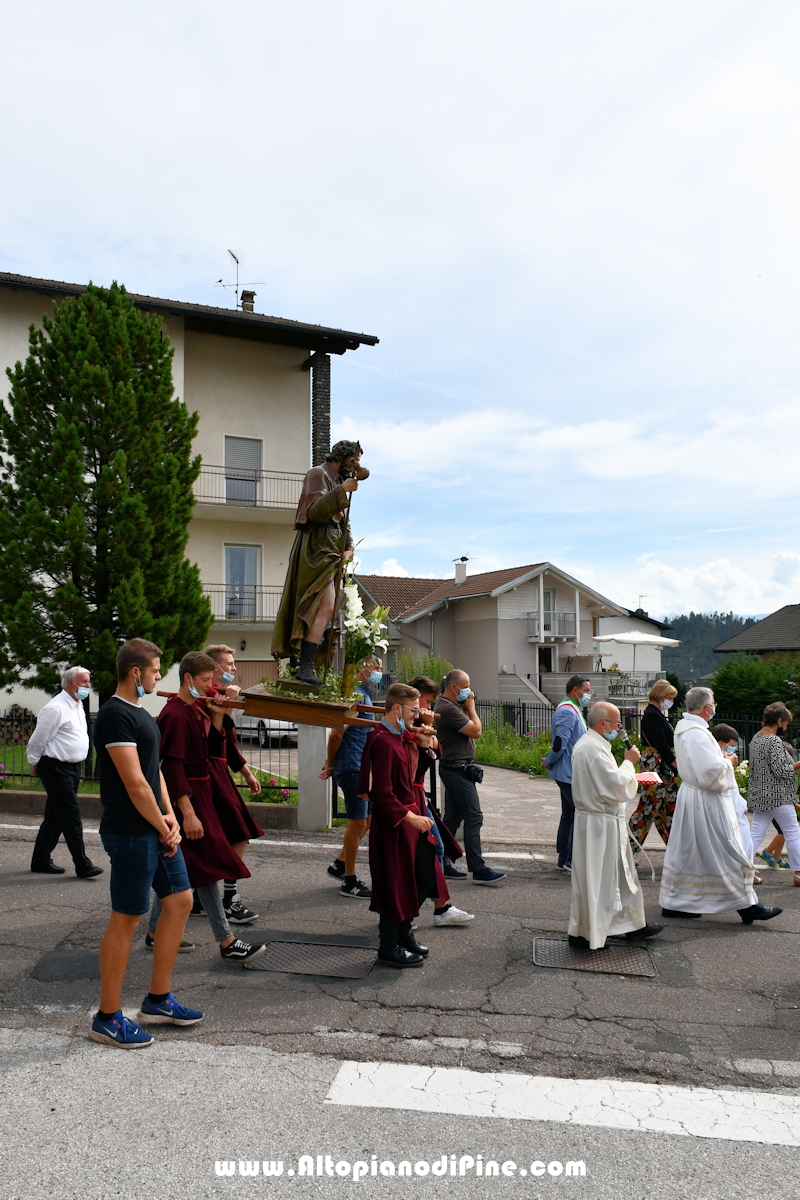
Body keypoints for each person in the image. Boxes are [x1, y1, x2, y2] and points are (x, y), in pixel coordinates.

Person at [90, 638, 202, 1047]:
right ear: (135, 672)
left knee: (180, 900)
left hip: (155, 827)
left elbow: (153, 773)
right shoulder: (114, 715)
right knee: (127, 918)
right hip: (131, 832)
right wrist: (161, 825)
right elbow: (134, 785)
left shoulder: (141, 713)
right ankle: (106, 1017)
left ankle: (158, 999)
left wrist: (170, 815)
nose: (159, 676)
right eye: (155, 670)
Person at [148, 652, 266, 964]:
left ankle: (152, 932)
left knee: (185, 867)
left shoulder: (193, 709)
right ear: (188, 679)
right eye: (204, 681)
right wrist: (187, 812)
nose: (210, 685)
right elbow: (172, 768)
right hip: (188, 796)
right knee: (206, 867)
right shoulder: (175, 714)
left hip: (201, 791)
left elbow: (215, 750)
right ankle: (227, 941)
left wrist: (219, 713)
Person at [659, 687, 781, 924]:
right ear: (707, 708)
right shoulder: (696, 733)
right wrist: (729, 762)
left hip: (693, 798)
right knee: (727, 849)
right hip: (705, 801)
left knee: (690, 853)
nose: (715, 707)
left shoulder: (687, 729)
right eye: (713, 703)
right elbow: (709, 774)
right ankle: (748, 905)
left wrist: (721, 761)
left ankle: (676, 903)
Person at [358, 683, 445, 967]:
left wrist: (422, 746)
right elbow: (382, 793)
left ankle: (404, 933)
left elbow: (411, 779)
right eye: (413, 709)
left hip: (410, 818)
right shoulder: (382, 740)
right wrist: (411, 817)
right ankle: (388, 946)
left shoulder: (400, 737)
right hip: (394, 824)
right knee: (394, 883)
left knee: (424, 875)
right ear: (397, 708)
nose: (417, 715)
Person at [568, 701, 663, 950]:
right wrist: (629, 762)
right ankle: (587, 933)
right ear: (603, 724)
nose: (620, 727)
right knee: (599, 879)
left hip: (607, 822)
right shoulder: (593, 750)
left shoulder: (596, 745)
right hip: (598, 825)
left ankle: (633, 926)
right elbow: (615, 787)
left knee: (622, 874)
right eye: (617, 722)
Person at [272, 440, 366, 684]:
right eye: (353, 460)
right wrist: (341, 491)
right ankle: (304, 666)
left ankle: (307, 666)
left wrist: (348, 546)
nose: (355, 466)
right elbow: (314, 511)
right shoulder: (318, 473)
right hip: (316, 547)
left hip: (332, 549)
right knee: (318, 605)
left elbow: (344, 520)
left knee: (326, 608)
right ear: (342, 456)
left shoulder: (336, 481)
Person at [201, 643, 264, 924]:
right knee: (238, 832)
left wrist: (246, 773)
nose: (234, 668)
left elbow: (227, 745)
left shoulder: (218, 696)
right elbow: (211, 742)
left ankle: (202, 896)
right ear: (214, 668)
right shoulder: (206, 698)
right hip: (207, 773)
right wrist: (224, 708)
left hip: (219, 770)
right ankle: (228, 897)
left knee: (226, 833)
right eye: (229, 664)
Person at [408, 675, 474, 927]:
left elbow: (436, 748)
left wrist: (428, 736)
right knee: (422, 854)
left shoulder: (416, 723)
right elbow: (426, 751)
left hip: (418, 796)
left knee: (435, 849)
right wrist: (426, 734)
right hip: (408, 799)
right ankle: (412, 910)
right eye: (426, 701)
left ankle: (437, 908)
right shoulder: (406, 723)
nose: (429, 707)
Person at [28, 666, 102, 879]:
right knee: (70, 815)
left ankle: (40, 858)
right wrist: (34, 763)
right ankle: (82, 864)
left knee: (55, 816)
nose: (88, 686)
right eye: (84, 682)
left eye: (88, 682)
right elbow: (37, 740)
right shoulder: (56, 708)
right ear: (70, 683)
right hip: (55, 767)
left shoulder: (77, 704)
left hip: (71, 768)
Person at [435, 669, 505, 886]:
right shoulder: (447, 708)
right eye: (466, 686)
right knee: (474, 817)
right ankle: (478, 869)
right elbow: (476, 731)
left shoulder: (453, 706)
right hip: (456, 770)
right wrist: (472, 708)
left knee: (452, 820)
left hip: (457, 768)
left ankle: (442, 862)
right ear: (454, 687)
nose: (469, 691)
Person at [320, 656, 382, 899]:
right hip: (353, 766)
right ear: (362, 669)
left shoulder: (363, 695)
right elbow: (336, 734)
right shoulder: (355, 694)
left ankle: (339, 865)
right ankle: (350, 880)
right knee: (357, 823)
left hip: (361, 767)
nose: (379, 671)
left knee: (366, 822)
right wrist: (331, 764)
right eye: (376, 667)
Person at [746, 702, 800, 888]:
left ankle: (743, 870)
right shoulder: (774, 741)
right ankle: (799, 874)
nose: (786, 726)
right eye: (785, 723)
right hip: (778, 795)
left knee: (756, 833)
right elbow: (782, 771)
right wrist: (798, 764)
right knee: (793, 832)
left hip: (760, 794)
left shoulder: (755, 738)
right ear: (779, 720)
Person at [544, 673, 590, 872]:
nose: (589, 694)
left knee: (570, 813)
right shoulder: (567, 711)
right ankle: (568, 858)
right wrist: (549, 761)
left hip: (570, 770)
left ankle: (564, 857)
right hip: (568, 772)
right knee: (578, 812)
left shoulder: (573, 708)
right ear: (575, 690)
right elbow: (560, 743)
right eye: (586, 690)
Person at [629, 680, 679, 853]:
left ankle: (677, 850)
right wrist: (674, 762)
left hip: (657, 764)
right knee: (648, 808)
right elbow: (662, 744)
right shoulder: (653, 715)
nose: (671, 702)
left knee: (667, 809)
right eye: (670, 698)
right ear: (662, 696)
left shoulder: (654, 713)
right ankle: (627, 849)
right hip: (657, 766)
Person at [711, 723, 755, 864]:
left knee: (745, 839)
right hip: (730, 808)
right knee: (740, 839)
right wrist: (727, 762)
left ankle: (747, 868)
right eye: (731, 745)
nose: (733, 750)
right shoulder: (716, 757)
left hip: (735, 807)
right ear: (721, 743)